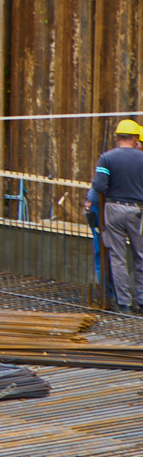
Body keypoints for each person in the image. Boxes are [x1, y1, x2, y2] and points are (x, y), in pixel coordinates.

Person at [85, 119, 143, 313]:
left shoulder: (107, 158)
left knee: (117, 257)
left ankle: (124, 303)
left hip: (114, 209)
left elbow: (99, 186)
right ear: (136, 138)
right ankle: (142, 300)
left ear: (117, 137)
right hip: (138, 211)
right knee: (140, 256)